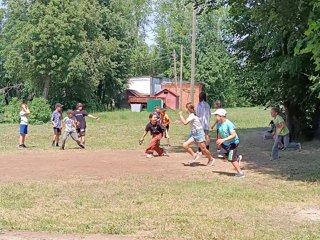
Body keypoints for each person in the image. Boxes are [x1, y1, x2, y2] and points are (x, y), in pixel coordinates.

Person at [213, 108, 244, 178]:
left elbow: (234, 135)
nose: (215, 117)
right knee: (221, 155)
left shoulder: (229, 124)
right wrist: (219, 141)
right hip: (225, 143)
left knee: (231, 159)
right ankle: (237, 158)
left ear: (221, 116)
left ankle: (241, 173)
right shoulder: (218, 124)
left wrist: (223, 140)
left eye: (216, 115)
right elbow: (219, 133)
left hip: (233, 143)